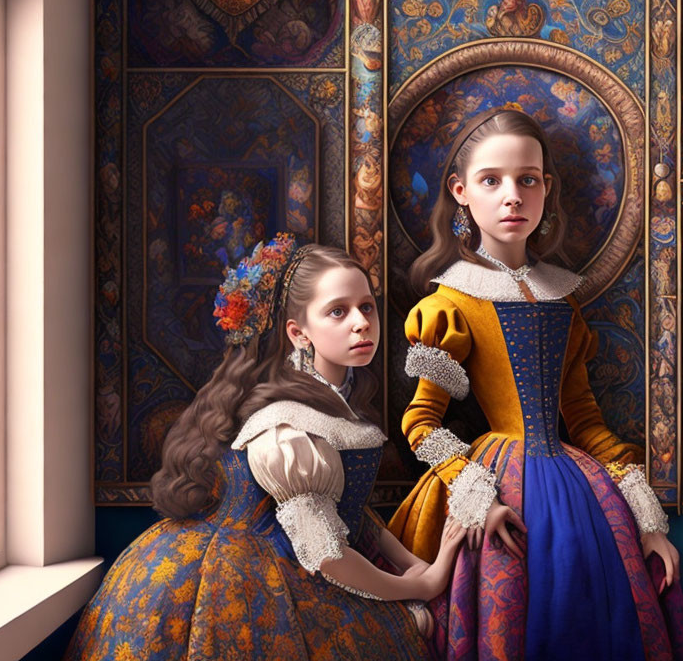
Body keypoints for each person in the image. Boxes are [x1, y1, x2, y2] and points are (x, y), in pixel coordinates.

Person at [388, 108, 683, 660]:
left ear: (545, 188)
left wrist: (646, 517)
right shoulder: (448, 305)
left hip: (579, 489)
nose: (512, 196)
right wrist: (474, 496)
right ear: (461, 191)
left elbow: (584, 418)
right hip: (499, 487)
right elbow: (420, 423)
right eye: (492, 181)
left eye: (527, 180)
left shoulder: (563, 299)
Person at [66, 235, 465, 661]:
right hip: (245, 583)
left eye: (366, 306)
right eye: (337, 311)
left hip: (305, 559)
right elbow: (327, 554)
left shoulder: (333, 400)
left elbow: (348, 511)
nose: (361, 322)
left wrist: (409, 562)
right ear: (299, 333)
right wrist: (417, 585)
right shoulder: (288, 424)